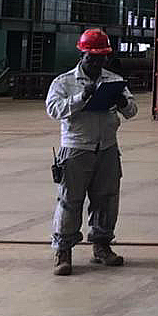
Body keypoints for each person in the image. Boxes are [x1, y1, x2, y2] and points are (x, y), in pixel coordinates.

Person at [46, 29, 138, 276]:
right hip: (76, 149)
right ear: (82, 54)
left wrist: (121, 102)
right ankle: (63, 251)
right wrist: (81, 98)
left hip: (107, 148)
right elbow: (54, 110)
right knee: (69, 201)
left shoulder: (113, 80)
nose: (97, 63)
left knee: (106, 199)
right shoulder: (64, 82)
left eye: (102, 58)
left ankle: (102, 246)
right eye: (92, 57)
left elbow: (132, 111)